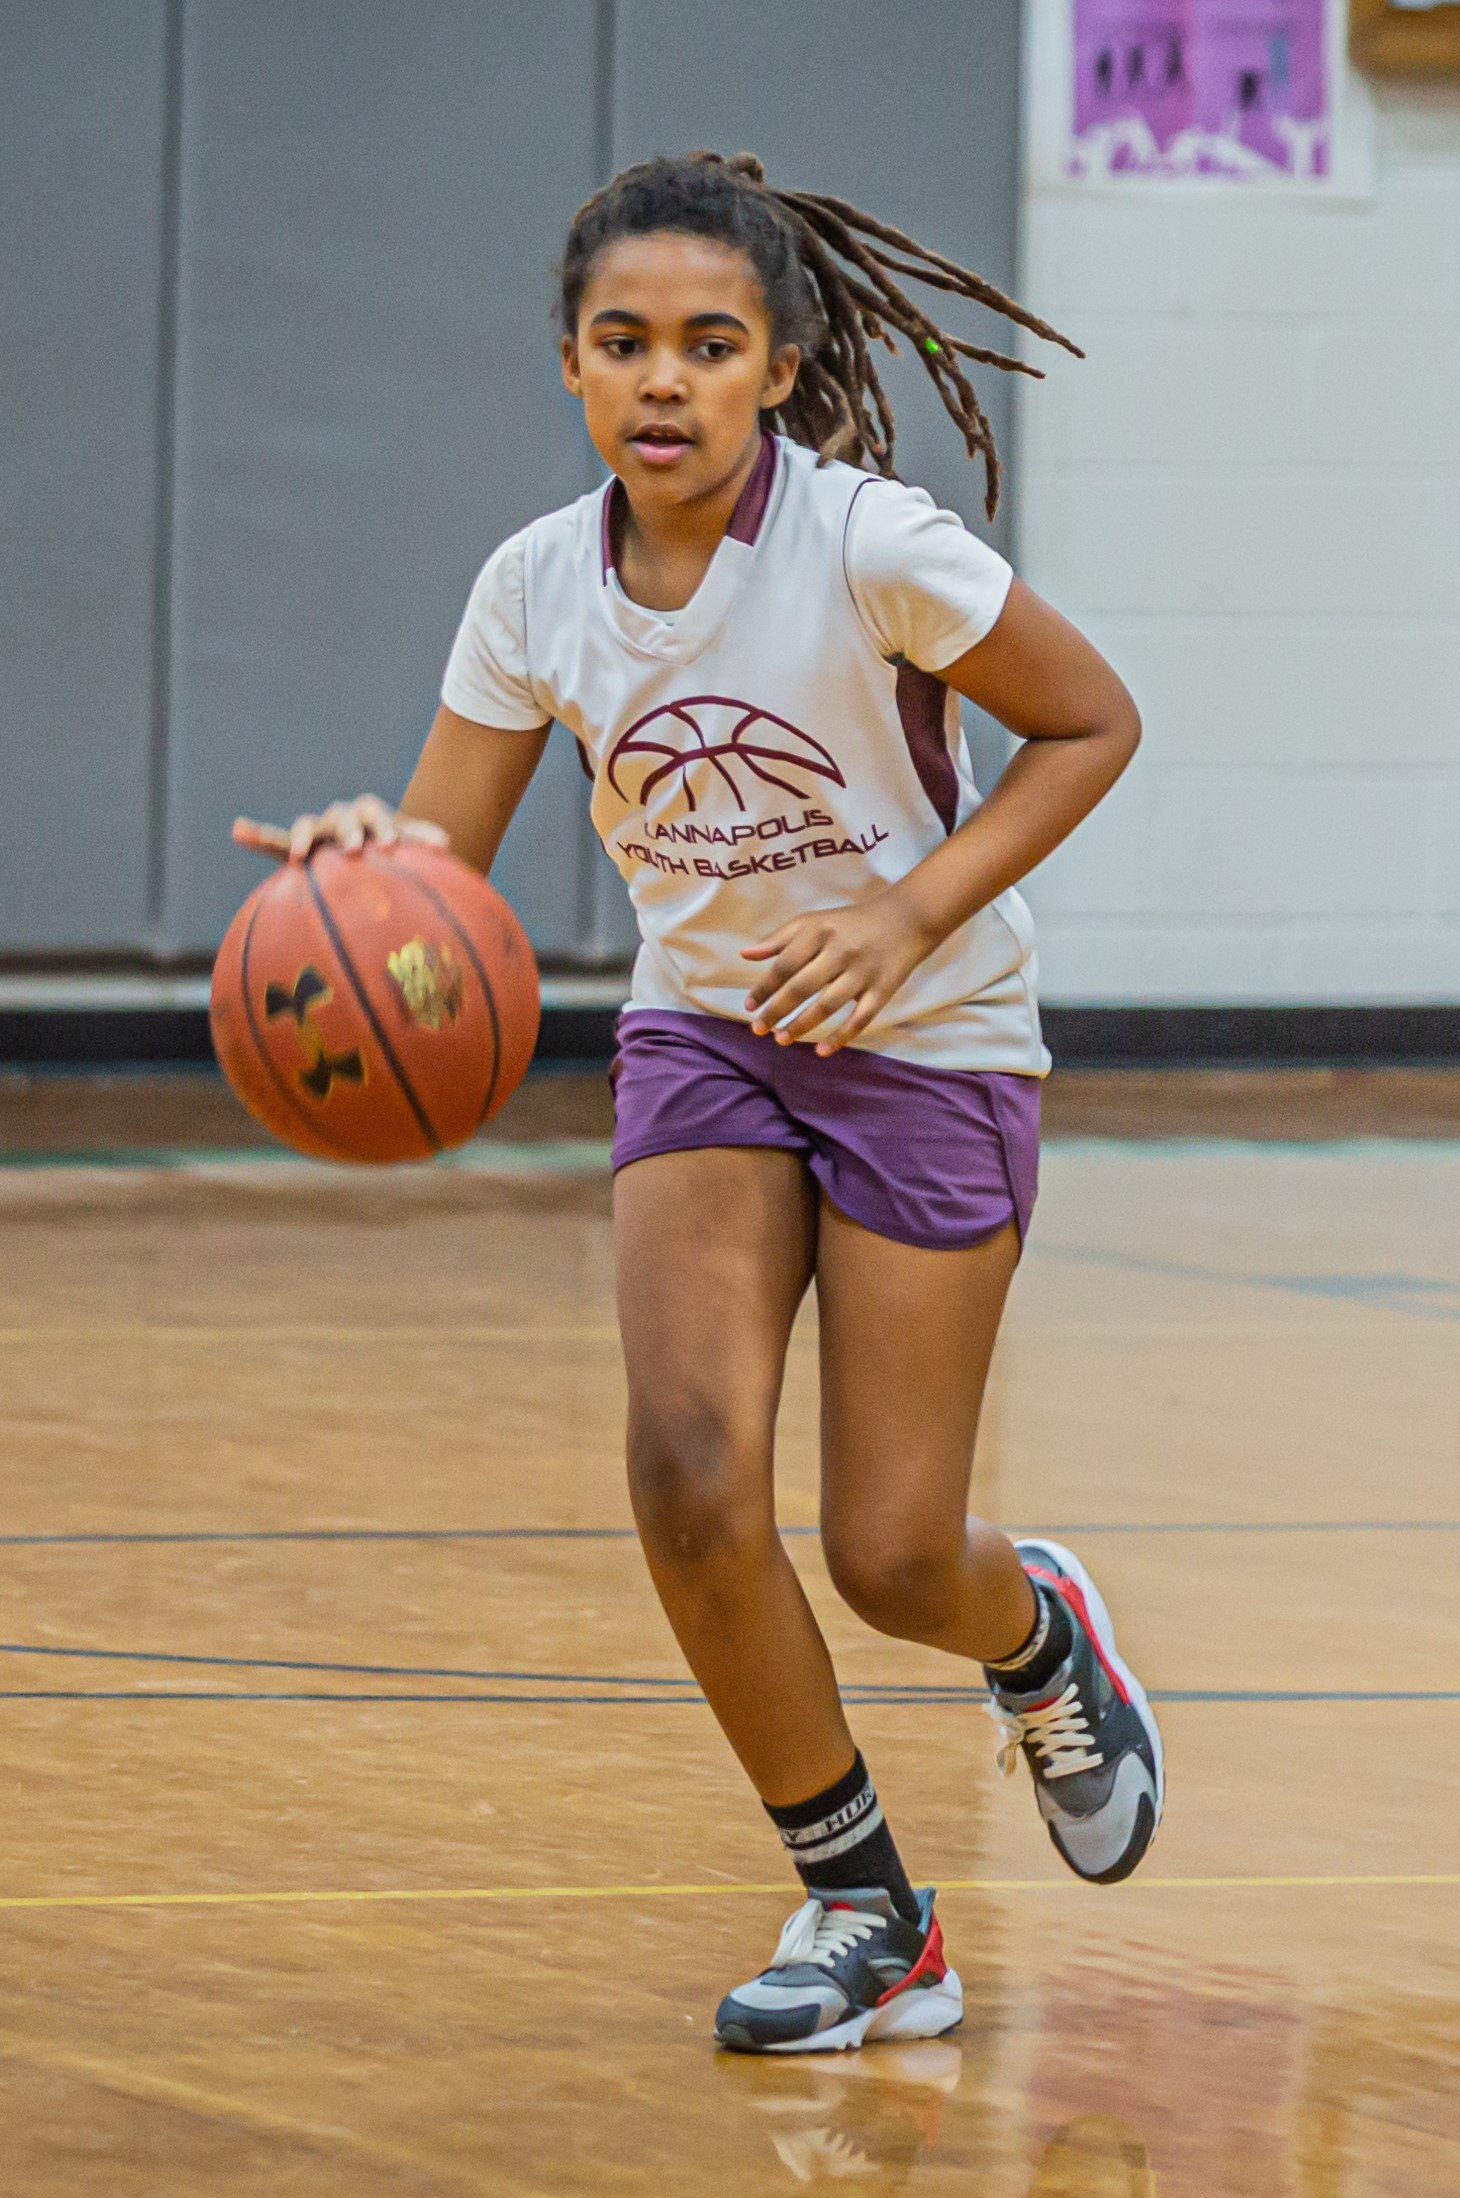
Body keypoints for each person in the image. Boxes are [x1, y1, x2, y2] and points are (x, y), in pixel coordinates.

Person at [245, 151, 1162, 2054]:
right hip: (711, 1033)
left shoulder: (875, 546)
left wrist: (906, 911)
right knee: (683, 1474)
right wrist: (364, 867)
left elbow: (1093, 721)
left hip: (927, 1037)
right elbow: (443, 854)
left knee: (895, 1552)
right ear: (570, 367)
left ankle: (1034, 1634)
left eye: (708, 342)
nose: (664, 379)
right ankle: (868, 1913)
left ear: (778, 366)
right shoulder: (529, 585)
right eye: (623, 341)